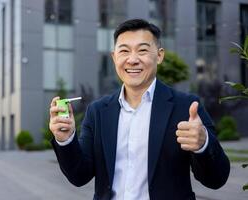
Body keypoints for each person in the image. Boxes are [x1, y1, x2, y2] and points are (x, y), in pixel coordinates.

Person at [49, 19, 230, 200]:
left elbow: (216, 179)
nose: (133, 59)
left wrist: (203, 144)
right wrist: (65, 140)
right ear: (114, 57)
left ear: (159, 56)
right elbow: (79, 175)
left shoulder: (186, 107)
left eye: (142, 50)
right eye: (124, 51)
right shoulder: (97, 112)